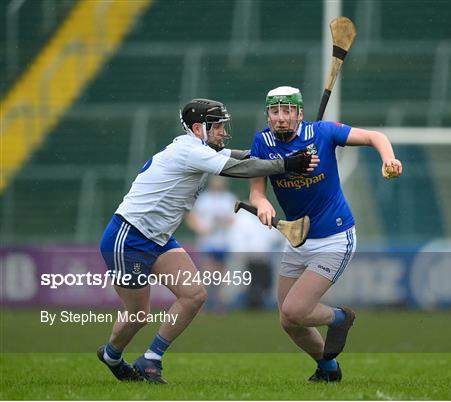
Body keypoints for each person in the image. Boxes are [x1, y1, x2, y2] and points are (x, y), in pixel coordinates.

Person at [97, 98, 319, 383]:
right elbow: (240, 169)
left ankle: (151, 359)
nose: (223, 132)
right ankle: (112, 355)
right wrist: (288, 163)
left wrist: (283, 154)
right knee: (139, 314)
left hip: (158, 239)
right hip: (128, 237)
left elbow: (243, 157)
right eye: (218, 127)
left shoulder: (201, 148)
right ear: (199, 128)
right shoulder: (191, 151)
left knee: (194, 296)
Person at [249, 86, 402, 382]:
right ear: (267, 114)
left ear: (299, 113)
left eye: (287, 111)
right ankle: (328, 369)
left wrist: (388, 159)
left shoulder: (323, 132)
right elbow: (257, 191)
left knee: (295, 310)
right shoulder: (262, 142)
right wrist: (263, 203)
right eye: (274, 111)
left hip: (334, 235)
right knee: (288, 319)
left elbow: (375, 137)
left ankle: (341, 317)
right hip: (297, 238)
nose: (280, 118)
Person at [187, 176, 236, 311]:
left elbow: (234, 219)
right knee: (207, 273)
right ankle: (202, 304)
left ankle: (218, 304)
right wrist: (201, 228)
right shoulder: (204, 199)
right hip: (207, 242)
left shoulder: (229, 198)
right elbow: (192, 217)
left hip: (223, 242)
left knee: (220, 276)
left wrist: (224, 222)